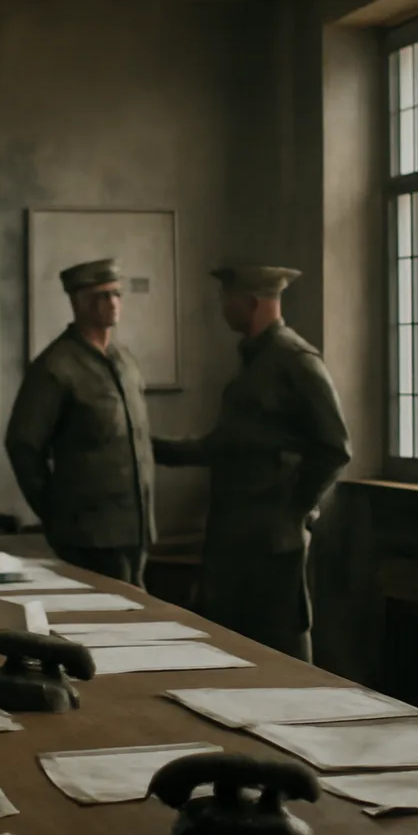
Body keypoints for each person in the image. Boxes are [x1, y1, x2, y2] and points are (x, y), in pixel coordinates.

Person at [152, 265, 350, 662]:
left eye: (228, 298)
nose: (223, 307)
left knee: (280, 655)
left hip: (272, 546)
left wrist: (294, 508)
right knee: (231, 651)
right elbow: (226, 446)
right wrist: (150, 445)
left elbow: (335, 448)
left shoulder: (295, 361)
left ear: (252, 303)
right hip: (235, 539)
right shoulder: (255, 362)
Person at [5, 258, 154, 586]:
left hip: (135, 527)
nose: (114, 303)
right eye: (102, 296)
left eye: (117, 294)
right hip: (89, 534)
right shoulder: (55, 367)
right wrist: (56, 514)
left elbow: (131, 438)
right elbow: (23, 445)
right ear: (79, 302)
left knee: (139, 622)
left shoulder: (124, 361)